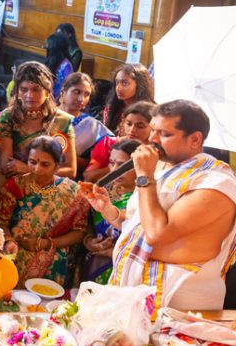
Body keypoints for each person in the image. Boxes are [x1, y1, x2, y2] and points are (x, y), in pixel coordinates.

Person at [83, 100, 236, 310]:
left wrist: (144, 175)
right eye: (153, 130)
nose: (152, 139)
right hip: (134, 296)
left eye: (164, 134)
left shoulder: (216, 182)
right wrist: (107, 209)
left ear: (195, 139)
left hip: (180, 305)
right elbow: (137, 225)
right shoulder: (163, 169)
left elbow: (157, 233)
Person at [0, 136, 89, 286]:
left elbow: (80, 232)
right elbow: (1, 222)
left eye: (45, 164)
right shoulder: (15, 185)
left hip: (53, 261)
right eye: (32, 162)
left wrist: (46, 244)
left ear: (57, 166)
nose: (37, 169)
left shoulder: (72, 191)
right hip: (16, 256)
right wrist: (9, 241)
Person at [0, 61, 76, 180]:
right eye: (24, 89)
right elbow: (5, 167)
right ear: (16, 92)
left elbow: (71, 171)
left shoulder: (62, 121)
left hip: (51, 191)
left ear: (47, 92)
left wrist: (28, 169)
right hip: (16, 187)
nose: (29, 95)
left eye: (36, 90)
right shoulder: (8, 118)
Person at [81, 139, 140, 284]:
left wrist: (114, 251)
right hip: (93, 264)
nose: (114, 170)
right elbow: (87, 226)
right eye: (112, 163)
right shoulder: (102, 192)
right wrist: (88, 241)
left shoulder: (143, 199)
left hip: (122, 269)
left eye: (121, 165)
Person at [58, 72, 113, 178]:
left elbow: (90, 164)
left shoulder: (92, 126)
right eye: (77, 92)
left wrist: (70, 157)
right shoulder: (46, 115)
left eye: (86, 95)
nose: (81, 99)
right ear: (63, 92)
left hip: (66, 179)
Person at [84, 101, 154, 183]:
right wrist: (118, 165)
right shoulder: (108, 143)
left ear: (153, 127)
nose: (132, 130)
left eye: (140, 126)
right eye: (129, 124)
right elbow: (88, 177)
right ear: (123, 122)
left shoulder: (155, 154)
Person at [103, 63, 155, 134]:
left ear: (139, 85)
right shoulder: (111, 108)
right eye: (117, 82)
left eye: (125, 83)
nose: (118, 88)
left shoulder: (151, 113)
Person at [45, 32, 74, 99]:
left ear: (53, 47)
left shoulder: (65, 66)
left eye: (48, 45)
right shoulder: (52, 61)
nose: (46, 47)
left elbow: (60, 91)